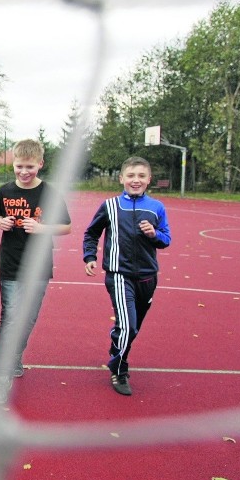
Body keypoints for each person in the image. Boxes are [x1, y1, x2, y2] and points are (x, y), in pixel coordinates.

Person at [0, 139, 71, 404]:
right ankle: (2, 377)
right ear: (13, 164)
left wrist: (41, 228)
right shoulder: (4, 191)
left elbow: (66, 226)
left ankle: (15, 355)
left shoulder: (50, 193)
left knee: (28, 319)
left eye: (30, 166)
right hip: (10, 264)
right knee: (11, 318)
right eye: (19, 166)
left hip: (37, 266)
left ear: (40, 164)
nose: (24, 172)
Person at [83, 156, 171, 396]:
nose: (136, 180)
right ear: (121, 178)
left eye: (141, 176)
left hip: (148, 277)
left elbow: (166, 239)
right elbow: (91, 233)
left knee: (133, 328)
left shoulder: (156, 207)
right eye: (131, 176)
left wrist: (154, 234)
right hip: (119, 275)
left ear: (149, 180)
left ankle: (118, 350)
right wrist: (89, 257)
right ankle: (119, 368)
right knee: (128, 326)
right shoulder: (110, 205)